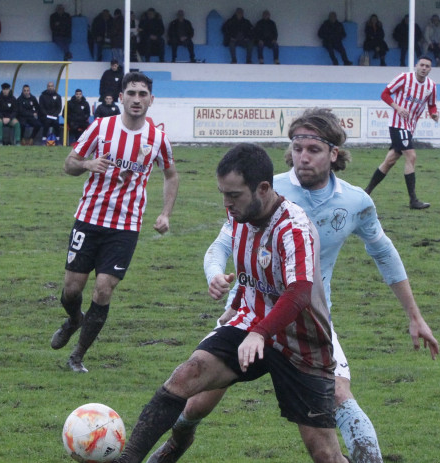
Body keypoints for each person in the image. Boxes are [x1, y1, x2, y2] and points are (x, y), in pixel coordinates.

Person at [146, 108, 440, 463]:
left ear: (334, 153)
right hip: (248, 315)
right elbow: (222, 242)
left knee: (339, 396)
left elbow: (385, 255)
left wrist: (415, 316)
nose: (303, 156)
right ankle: (176, 443)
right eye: (297, 147)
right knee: (195, 404)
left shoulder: (355, 202)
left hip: (309, 322)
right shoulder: (264, 187)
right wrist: (215, 274)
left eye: (313, 149)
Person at [112, 143, 347, 463]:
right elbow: (234, 259)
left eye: (233, 195)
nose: (227, 203)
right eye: (223, 193)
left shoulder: (293, 226)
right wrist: (228, 292)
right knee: (186, 376)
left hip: (301, 343)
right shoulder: (239, 212)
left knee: (324, 454)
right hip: (249, 323)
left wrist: (260, 333)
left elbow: (300, 292)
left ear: (263, 188)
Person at [51, 71, 179, 373]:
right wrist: (86, 164)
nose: (137, 99)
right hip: (88, 219)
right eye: (131, 93)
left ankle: (78, 356)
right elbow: (69, 163)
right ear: (121, 97)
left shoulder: (158, 139)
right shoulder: (101, 127)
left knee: (104, 289)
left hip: (126, 226)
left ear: (151, 99)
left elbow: (171, 175)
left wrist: (165, 214)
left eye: (142, 94)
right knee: (72, 290)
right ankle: (74, 319)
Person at [364, 56, 439, 209]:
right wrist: (398, 108)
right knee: (411, 156)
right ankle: (413, 200)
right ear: (416, 66)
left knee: (390, 161)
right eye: (422, 65)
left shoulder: (431, 86)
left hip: (410, 127)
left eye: (427, 66)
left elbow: (431, 105)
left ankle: (365, 194)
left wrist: (434, 114)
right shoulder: (404, 78)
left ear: (430, 69)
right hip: (397, 124)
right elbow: (385, 94)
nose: (424, 68)